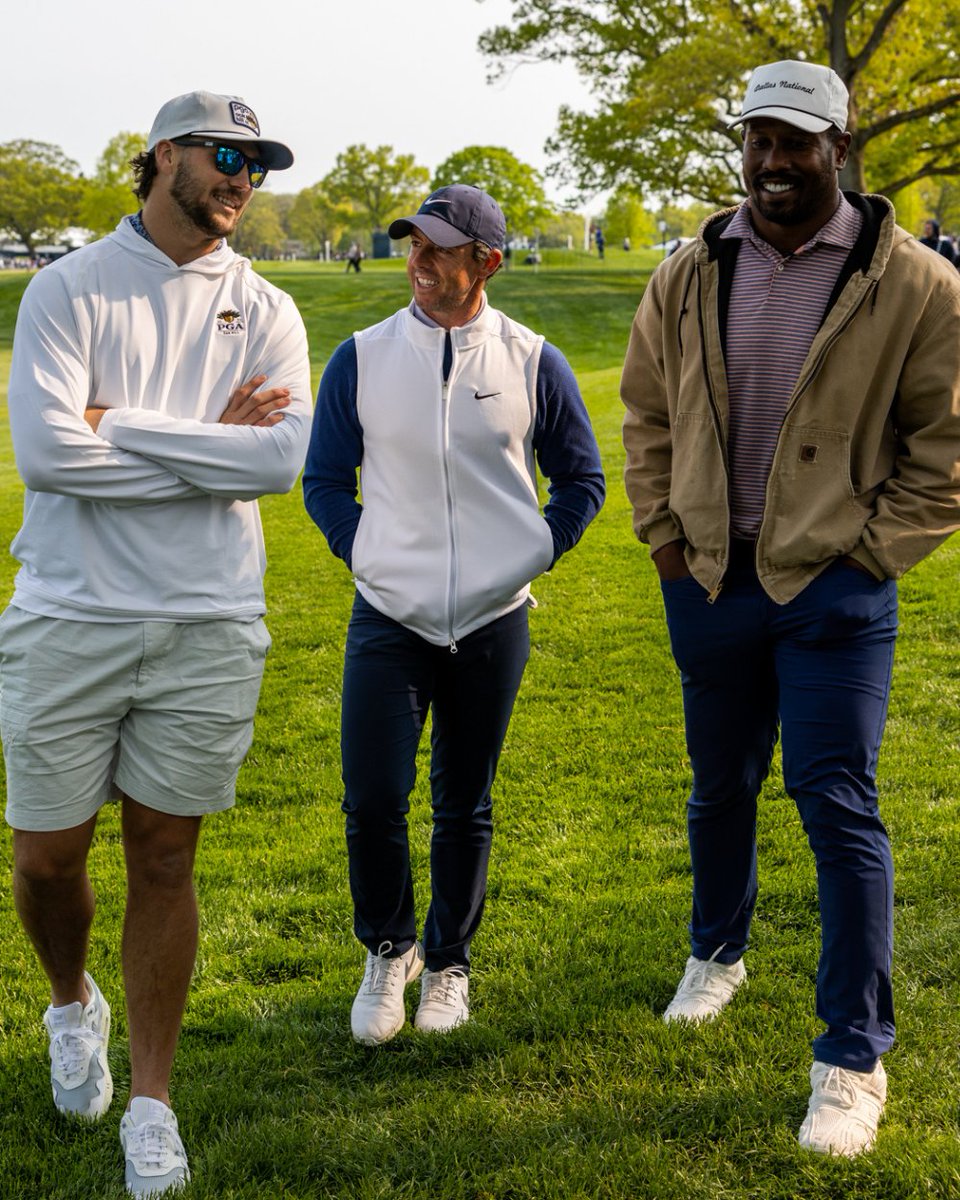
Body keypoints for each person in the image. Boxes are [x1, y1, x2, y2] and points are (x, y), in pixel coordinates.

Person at [621, 59, 960, 1158]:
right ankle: (716, 953)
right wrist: (668, 540)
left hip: (834, 592)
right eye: (758, 140)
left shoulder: (913, 281)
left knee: (837, 807)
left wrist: (868, 559)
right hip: (711, 578)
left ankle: (852, 1059)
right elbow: (646, 413)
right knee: (719, 789)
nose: (772, 163)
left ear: (838, 150)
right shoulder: (689, 269)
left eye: (795, 143)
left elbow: (944, 451)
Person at [1, 91, 311, 1195]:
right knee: (47, 860)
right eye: (226, 156)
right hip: (69, 614)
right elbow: (46, 457)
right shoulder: (67, 289)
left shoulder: (268, 307)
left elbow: (275, 465)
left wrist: (118, 422)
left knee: (166, 856)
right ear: (165, 155)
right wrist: (201, 448)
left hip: (207, 620)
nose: (241, 179)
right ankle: (67, 1002)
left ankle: (151, 1099)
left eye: (257, 166)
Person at [303, 184, 605, 1045]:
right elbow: (325, 481)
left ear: (487, 264)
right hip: (387, 617)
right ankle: (388, 947)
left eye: (439, 249)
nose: (418, 261)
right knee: (371, 797)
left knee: (464, 802)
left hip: (492, 620)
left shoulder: (532, 359)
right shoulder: (360, 357)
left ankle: (448, 964)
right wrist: (367, 554)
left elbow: (583, 481)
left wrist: (527, 556)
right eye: (412, 244)